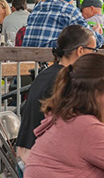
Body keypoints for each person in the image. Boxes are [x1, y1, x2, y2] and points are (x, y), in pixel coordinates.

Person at [16, 25, 97, 164]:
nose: (95, 55)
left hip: (26, 155)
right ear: (80, 51)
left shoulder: (47, 73)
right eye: (94, 50)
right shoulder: (67, 80)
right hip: (42, 162)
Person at [22, 0, 103, 48]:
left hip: (29, 61)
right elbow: (95, 41)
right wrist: (97, 33)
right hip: (53, 61)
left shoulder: (37, 8)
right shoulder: (70, 11)